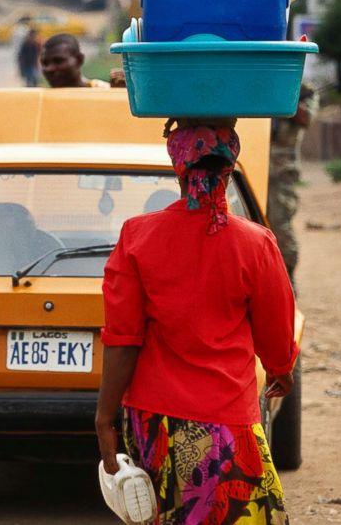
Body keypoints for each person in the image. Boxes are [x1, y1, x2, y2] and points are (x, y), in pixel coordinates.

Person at [95, 120, 299, 524]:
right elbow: (276, 331)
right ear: (230, 167)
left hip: (155, 419)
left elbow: (123, 340)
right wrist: (281, 369)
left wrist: (104, 416)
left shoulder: (137, 236)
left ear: (178, 167)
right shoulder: (255, 243)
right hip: (229, 420)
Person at [269, 83, 317, 288]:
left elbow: (306, 118)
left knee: (279, 222)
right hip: (253, 164)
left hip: (281, 171)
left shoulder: (303, 89)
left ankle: (288, 278)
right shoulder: (261, 80)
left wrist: (284, 97)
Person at [40, 33, 109, 88]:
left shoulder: (104, 93)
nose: (50, 69)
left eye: (58, 61)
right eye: (45, 63)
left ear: (79, 60)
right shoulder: (40, 98)